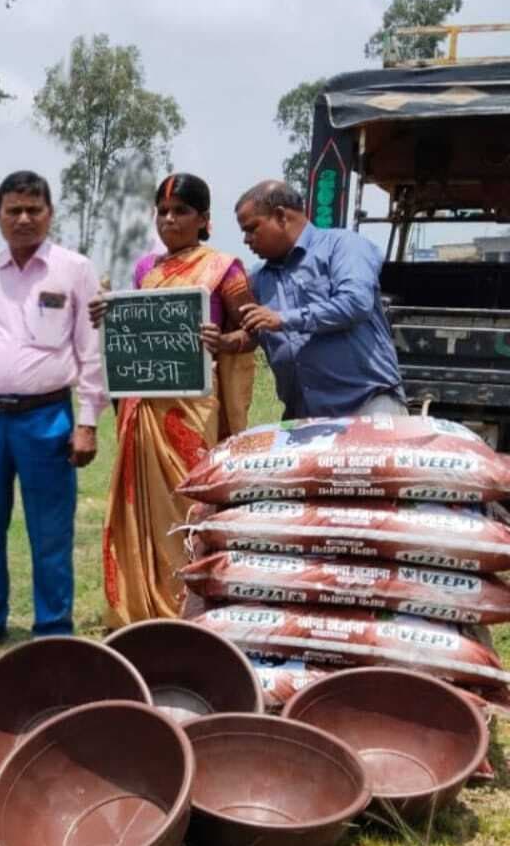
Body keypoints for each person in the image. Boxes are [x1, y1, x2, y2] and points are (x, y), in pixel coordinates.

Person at [0, 170, 108, 654]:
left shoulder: (74, 269)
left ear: (50, 214)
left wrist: (88, 422)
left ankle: (53, 630)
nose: (24, 218)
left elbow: (89, 350)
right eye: (13, 210)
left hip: (47, 419)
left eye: (34, 209)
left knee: (51, 530)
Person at [93, 174, 257, 626]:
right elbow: (132, 336)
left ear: (204, 219)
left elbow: (252, 332)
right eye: (162, 211)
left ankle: (192, 609)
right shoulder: (146, 269)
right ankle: (143, 608)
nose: (169, 219)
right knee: (141, 512)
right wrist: (105, 318)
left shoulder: (226, 268)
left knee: (189, 507)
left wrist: (226, 342)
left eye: (181, 211)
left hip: (193, 414)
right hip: (143, 410)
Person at [234, 180, 406, 418]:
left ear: (281, 216)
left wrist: (283, 319)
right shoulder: (258, 279)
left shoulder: (342, 246)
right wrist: (228, 342)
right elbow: (251, 332)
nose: (246, 239)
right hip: (304, 415)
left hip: (366, 404)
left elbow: (355, 303)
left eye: (252, 228)